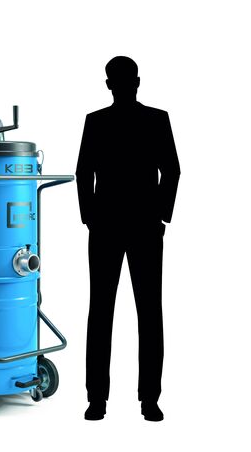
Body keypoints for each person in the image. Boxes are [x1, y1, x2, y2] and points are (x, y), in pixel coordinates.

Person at [76, 56, 180, 421]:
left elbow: (83, 172)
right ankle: (147, 400)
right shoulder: (155, 119)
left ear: (110, 84)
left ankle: (98, 400)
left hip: (113, 225)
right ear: (137, 81)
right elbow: (171, 170)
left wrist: (91, 218)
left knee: (102, 312)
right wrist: (160, 215)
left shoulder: (97, 121)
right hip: (139, 225)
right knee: (147, 313)